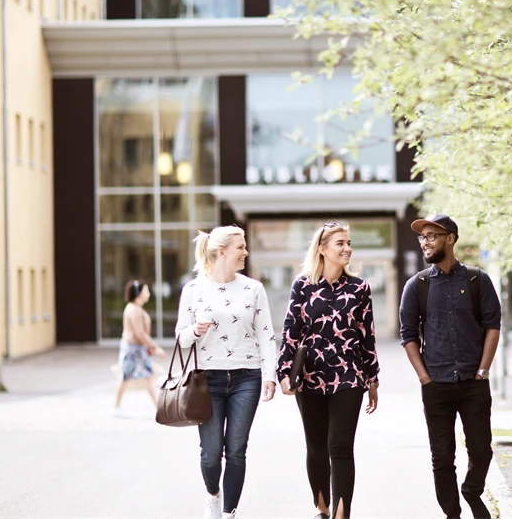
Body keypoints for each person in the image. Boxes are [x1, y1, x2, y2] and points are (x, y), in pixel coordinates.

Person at [399, 214, 502, 519]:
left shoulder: (476, 280)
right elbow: (408, 335)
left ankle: (471, 491)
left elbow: (493, 325)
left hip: (473, 383)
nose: (425, 242)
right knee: (442, 459)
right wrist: (424, 377)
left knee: (482, 451)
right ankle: (452, 515)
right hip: (437, 385)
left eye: (432, 236)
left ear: (450, 239)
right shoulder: (416, 285)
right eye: (423, 237)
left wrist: (483, 372)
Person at [278, 220, 380, 519]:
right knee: (317, 446)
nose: (347, 248)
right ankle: (321, 508)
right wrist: (284, 371)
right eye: (340, 243)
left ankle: (341, 514)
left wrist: (372, 379)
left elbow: (367, 336)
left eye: (348, 243)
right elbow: (291, 330)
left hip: (349, 376)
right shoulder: (303, 285)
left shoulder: (360, 288)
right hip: (310, 377)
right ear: (322, 249)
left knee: (341, 445)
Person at [175, 225, 278, 519]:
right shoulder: (193, 290)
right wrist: (194, 330)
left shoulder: (253, 289)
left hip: (247, 376)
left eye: (244, 246)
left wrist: (269, 374)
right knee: (210, 454)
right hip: (206, 380)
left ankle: (229, 513)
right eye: (240, 247)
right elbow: (181, 340)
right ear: (222, 252)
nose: (245, 252)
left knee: (235, 450)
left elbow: (266, 334)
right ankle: (213, 496)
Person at [113, 280, 166, 414]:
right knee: (125, 376)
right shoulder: (134, 310)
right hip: (132, 349)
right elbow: (140, 333)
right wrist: (155, 347)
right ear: (138, 293)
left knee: (149, 376)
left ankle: (159, 407)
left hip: (138, 349)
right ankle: (116, 407)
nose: (148, 294)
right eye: (146, 291)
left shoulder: (136, 308)